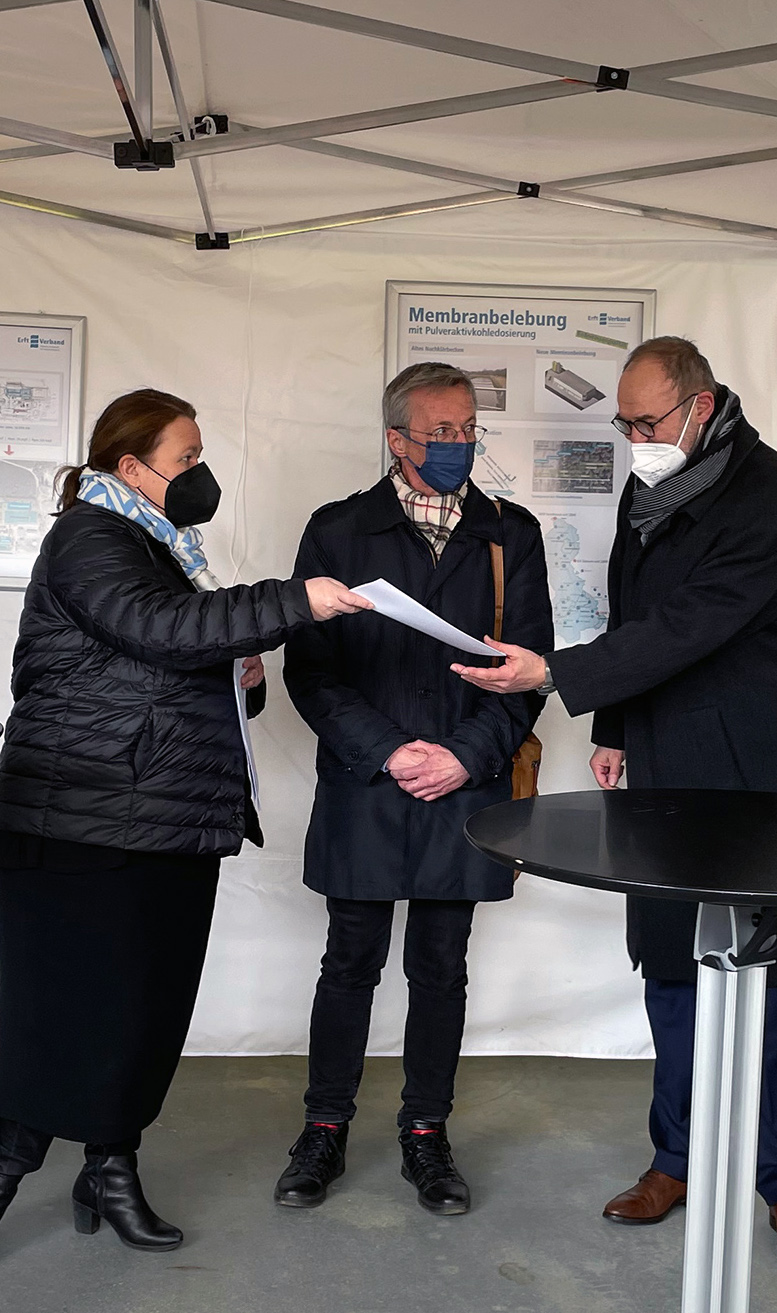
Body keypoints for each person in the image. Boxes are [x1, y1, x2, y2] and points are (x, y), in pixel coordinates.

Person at [452, 337, 777, 1269]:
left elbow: (698, 623)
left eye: (645, 422)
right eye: (621, 422)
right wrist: (612, 723)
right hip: (665, 757)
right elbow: (634, 612)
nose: (632, 439)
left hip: (764, 765)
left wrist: (561, 672)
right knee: (671, 966)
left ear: (700, 407)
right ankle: (677, 1158)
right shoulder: (648, 491)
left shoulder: (772, 493)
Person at [0, 388, 370, 1251]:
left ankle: (111, 1167)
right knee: (57, 1007)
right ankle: (12, 1161)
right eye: (187, 458)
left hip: (161, 813)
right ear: (129, 467)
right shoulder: (90, 537)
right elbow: (158, 628)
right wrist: (295, 601)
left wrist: (240, 670)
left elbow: (180, 650)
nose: (202, 474)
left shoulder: (164, 544)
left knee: (144, 1005)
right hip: (82, 817)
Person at [274, 362, 552, 1215]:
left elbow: (530, 671)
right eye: (440, 432)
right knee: (348, 960)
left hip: (465, 787)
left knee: (441, 966)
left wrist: (466, 755)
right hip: (368, 780)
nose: (458, 445)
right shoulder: (337, 530)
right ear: (396, 437)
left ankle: (426, 1133)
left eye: (468, 430)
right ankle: (324, 1129)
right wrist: (392, 751)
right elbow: (310, 671)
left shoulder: (513, 533)